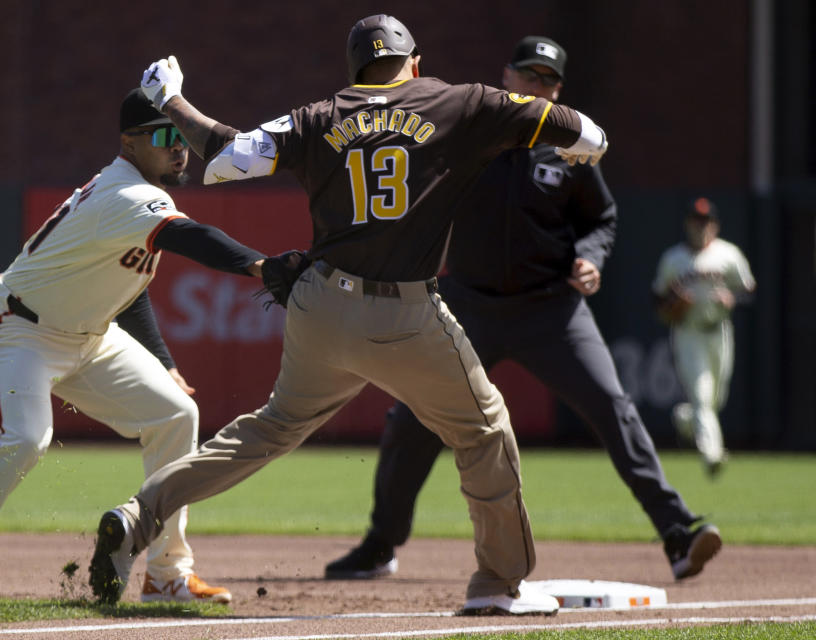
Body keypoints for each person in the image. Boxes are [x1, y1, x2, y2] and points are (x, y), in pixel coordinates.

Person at [89, 14, 610, 616]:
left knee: (270, 428)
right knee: (483, 429)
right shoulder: (460, 102)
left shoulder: (319, 115)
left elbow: (229, 158)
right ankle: (498, 582)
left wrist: (172, 100)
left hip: (321, 305)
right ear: (415, 61)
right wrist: (574, 146)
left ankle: (137, 516)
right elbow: (588, 135)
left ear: (356, 68)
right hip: (405, 313)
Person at [322, 36, 724, 586]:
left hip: (551, 311)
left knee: (613, 407)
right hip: (467, 305)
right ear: (506, 77)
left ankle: (678, 532)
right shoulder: (464, 133)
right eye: (528, 76)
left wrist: (590, 256)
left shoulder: (568, 147)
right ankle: (380, 544)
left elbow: (602, 218)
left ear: (557, 90)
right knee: (410, 420)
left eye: (547, 81)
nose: (536, 87)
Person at [0, 89, 267, 603]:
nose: (178, 147)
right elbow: (196, 239)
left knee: (177, 414)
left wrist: (164, 362)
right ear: (129, 143)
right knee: (24, 439)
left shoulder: (136, 194)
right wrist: (263, 266)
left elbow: (128, 293)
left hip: (91, 337)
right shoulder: (126, 196)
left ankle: (166, 574)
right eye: (164, 136)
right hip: (18, 327)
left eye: (181, 136)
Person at [653, 197, 755, 476]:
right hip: (689, 332)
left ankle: (684, 420)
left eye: (706, 222)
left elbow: (748, 290)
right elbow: (658, 301)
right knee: (701, 394)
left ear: (715, 225)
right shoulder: (674, 259)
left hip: (720, 331)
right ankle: (712, 454)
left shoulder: (728, 255)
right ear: (688, 225)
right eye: (696, 222)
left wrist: (731, 297)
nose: (701, 227)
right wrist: (675, 303)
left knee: (715, 400)